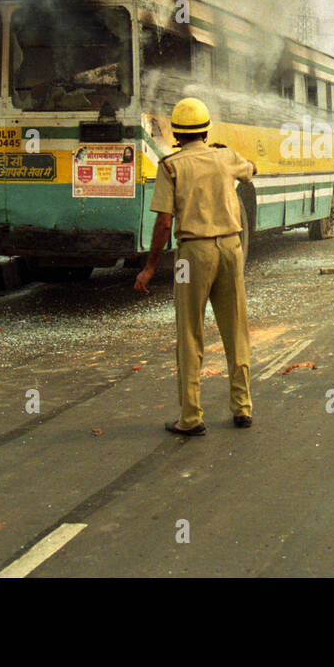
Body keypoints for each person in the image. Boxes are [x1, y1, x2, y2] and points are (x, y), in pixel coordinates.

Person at [135, 97, 258, 435]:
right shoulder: (225, 156)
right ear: (206, 130)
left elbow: (163, 223)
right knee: (236, 330)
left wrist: (148, 269)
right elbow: (251, 170)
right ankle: (242, 408)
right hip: (232, 249)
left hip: (192, 256)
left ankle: (191, 417)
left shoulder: (171, 166)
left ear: (176, 132)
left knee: (190, 333)